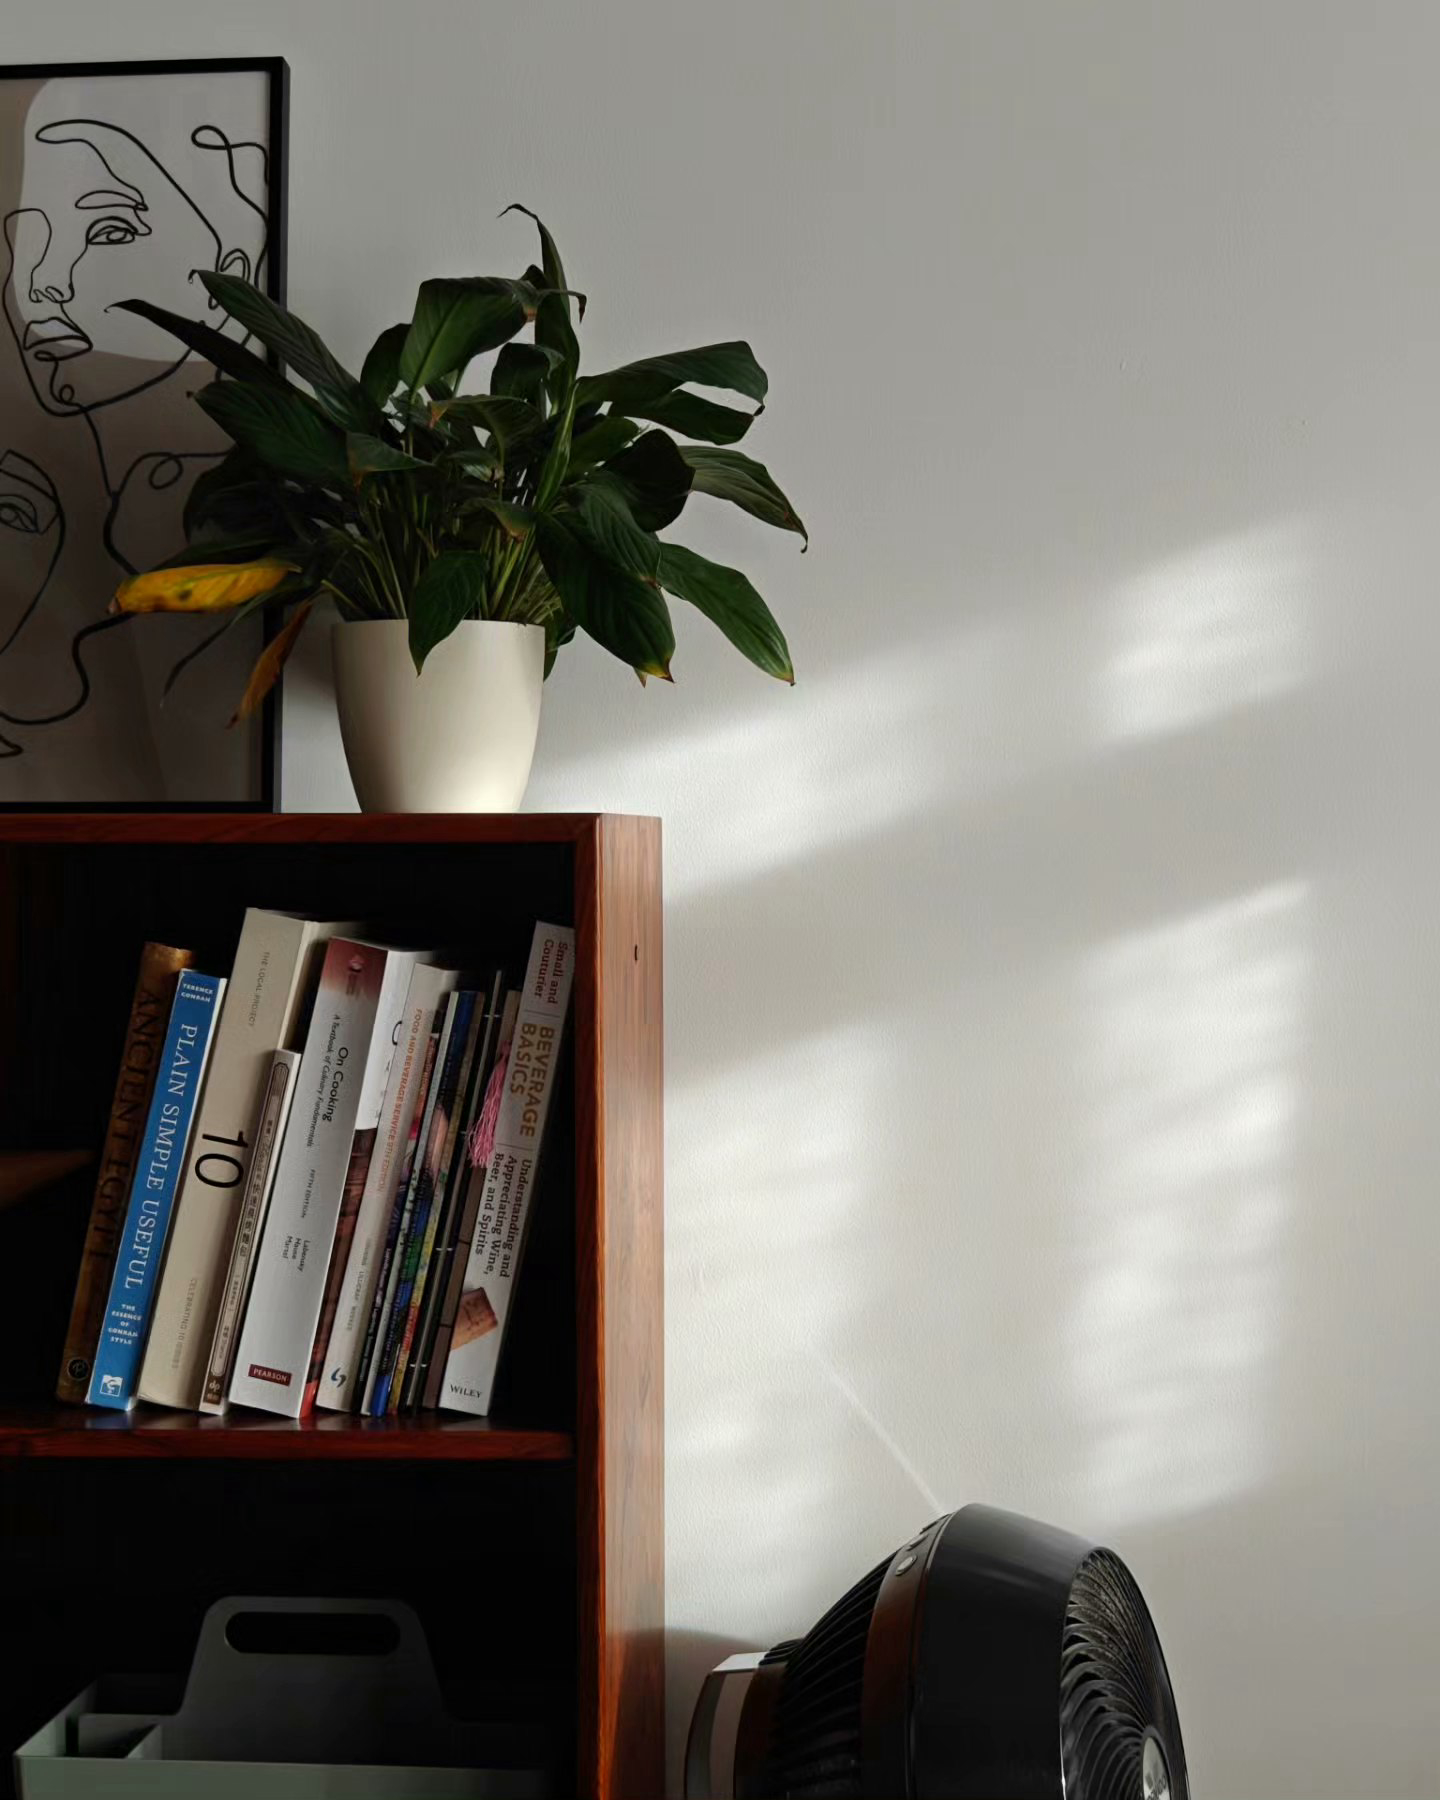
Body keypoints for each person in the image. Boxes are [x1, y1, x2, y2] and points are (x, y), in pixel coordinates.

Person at [0, 73, 270, 799]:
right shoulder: (51, 477)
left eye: (109, 229)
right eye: (32, 238)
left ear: (231, 280)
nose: (45, 282)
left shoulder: (220, 494)